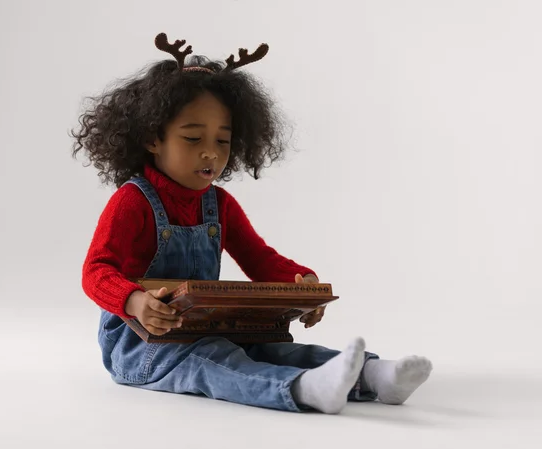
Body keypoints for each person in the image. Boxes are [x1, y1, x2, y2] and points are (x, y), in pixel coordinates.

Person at [71, 33, 433, 414]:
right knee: (210, 361)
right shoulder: (132, 201)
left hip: (208, 326)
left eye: (223, 141)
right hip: (142, 344)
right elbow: (96, 270)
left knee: (271, 346)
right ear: (151, 138)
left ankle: (373, 375)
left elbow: (260, 258)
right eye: (193, 138)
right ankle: (300, 390)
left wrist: (301, 284)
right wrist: (134, 301)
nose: (210, 152)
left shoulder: (218, 205)